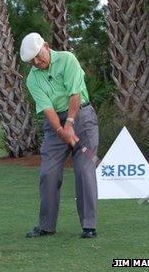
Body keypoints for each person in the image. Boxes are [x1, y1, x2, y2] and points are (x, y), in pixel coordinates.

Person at [20, 32, 99, 239]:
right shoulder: (32, 79)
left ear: (46, 46)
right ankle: (46, 225)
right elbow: (47, 110)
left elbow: (75, 94)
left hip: (82, 117)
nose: (37, 62)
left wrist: (70, 124)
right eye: (32, 61)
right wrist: (62, 131)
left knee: (83, 170)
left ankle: (88, 225)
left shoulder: (67, 59)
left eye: (39, 56)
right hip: (55, 125)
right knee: (48, 173)